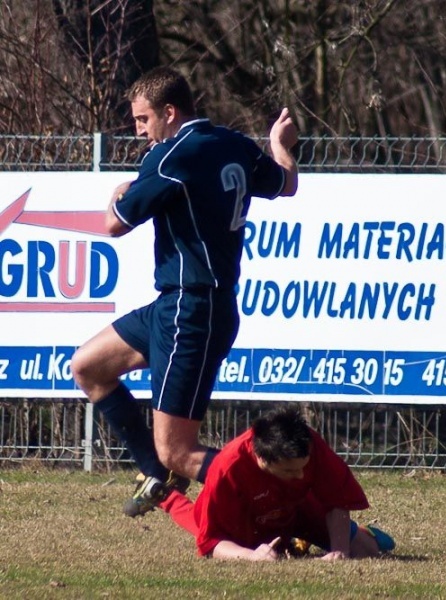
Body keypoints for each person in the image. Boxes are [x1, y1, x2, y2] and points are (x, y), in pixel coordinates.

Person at [71, 66, 299, 517]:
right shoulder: (232, 144)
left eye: (143, 120)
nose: (139, 131)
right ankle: (154, 472)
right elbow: (286, 184)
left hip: (190, 308)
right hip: (178, 304)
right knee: (88, 366)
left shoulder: (172, 154)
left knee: (180, 450)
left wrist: (122, 188)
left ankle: (289, 505)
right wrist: (280, 147)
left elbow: (114, 223)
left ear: (169, 112)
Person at [158, 405, 395, 561]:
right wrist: (251, 556)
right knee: (198, 521)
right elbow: (211, 543)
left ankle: (361, 532)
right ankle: (164, 495)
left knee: (367, 551)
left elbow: (337, 499)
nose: (301, 476)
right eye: (290, 470)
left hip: (297, 508)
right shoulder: (227, 469)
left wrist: (339, 550)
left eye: (304, 467)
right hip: (247, 517)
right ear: (262, 459)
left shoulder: (311, 443)